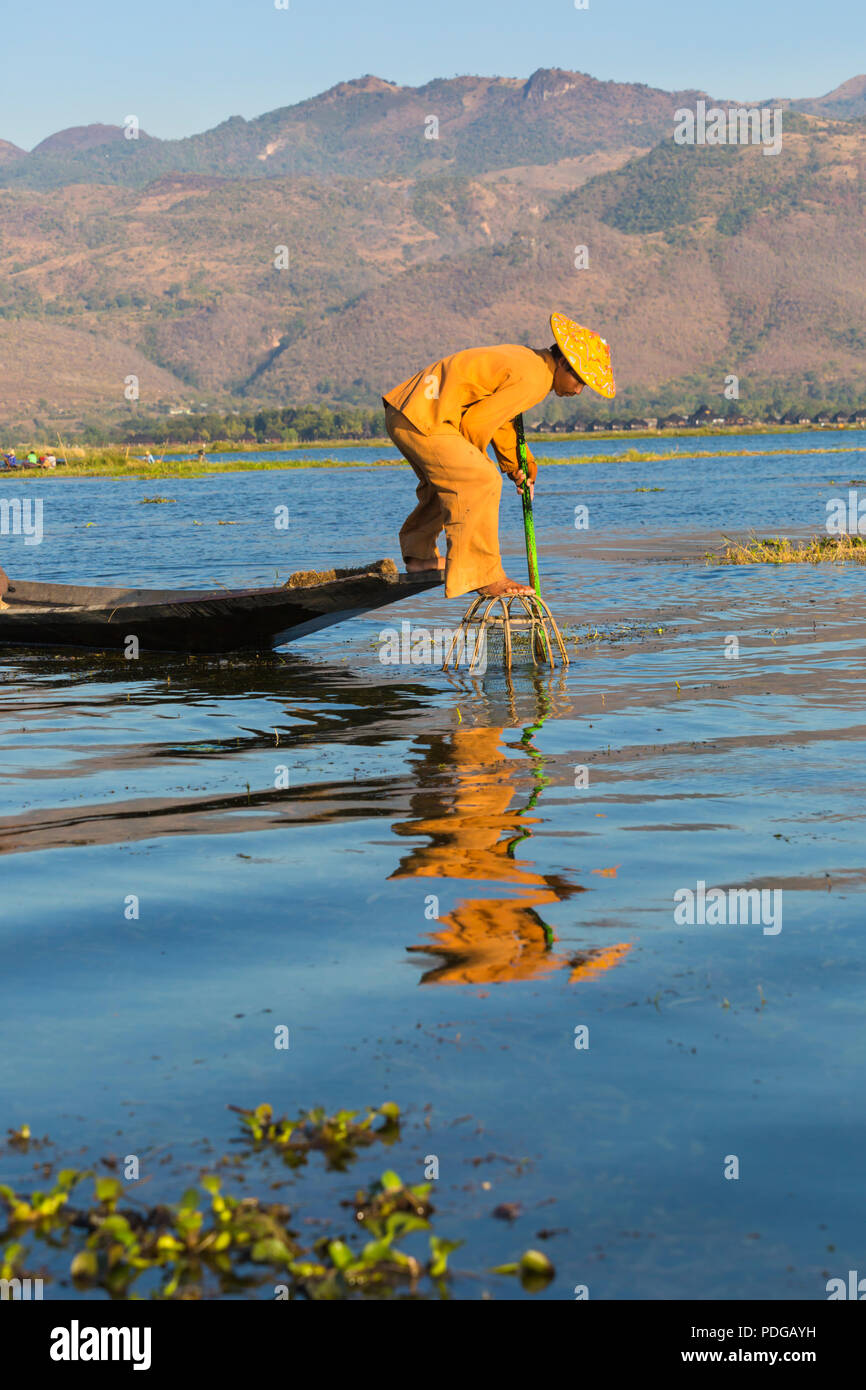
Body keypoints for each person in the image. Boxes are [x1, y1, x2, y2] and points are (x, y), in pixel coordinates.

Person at [383, 311, 615, 599]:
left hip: (407, 412)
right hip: (423, 417)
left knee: (451, 482)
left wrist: (519, 465)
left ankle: (419, 557)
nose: (579, 391)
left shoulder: (531, 363)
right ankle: (484, 575)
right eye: (580, 382)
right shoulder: (534, 379)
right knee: (479, 480)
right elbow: (475, 424)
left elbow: (501, 420)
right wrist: (481, 469)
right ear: (566, 364)